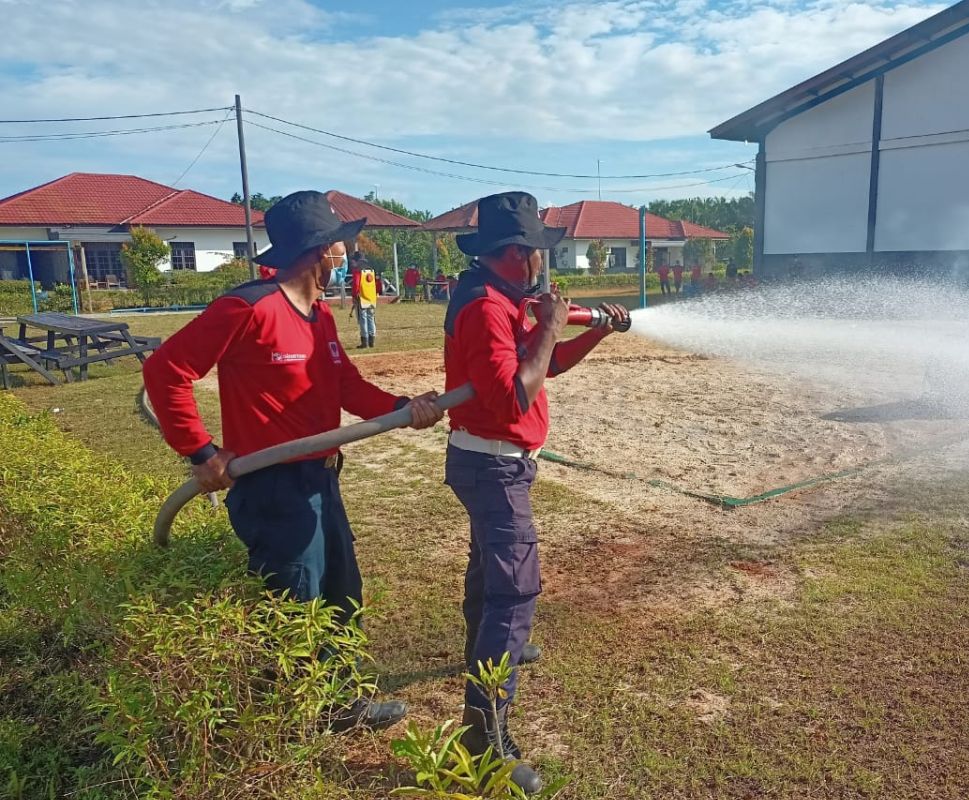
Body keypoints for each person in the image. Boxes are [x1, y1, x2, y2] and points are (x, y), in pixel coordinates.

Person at [143, 191, 444, 732]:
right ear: (321, 252)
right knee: (292, 599)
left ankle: (340, 705)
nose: (345, 257)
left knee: (340, 589)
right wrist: (200, 451)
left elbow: (347, 384)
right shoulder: (248, 307)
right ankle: (289, 723)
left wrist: (403, 408)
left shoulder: (320, 317)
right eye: (339, 248)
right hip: (271, 483)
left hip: (321, 476)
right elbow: (166, 371)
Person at [443, 191, 628, 794]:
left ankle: (490, 652)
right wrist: (548, 323)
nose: (545, 265)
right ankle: (485, 740)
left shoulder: (504, 299)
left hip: (499, 464)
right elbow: (513, 396)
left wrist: (594, 330)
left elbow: (543, 365)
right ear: (519, 255)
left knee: (490, 582)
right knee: (515, 592)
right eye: (540, 254)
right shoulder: (484, 309)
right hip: (492, 466)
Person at [350, 252, 379, 349]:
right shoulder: (370, 268)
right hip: (371, 297)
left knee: (363, 319)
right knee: (371, 318)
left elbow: (356, 284)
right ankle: (372, 340)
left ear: (356, 260)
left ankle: (365, 341)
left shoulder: (357, 270)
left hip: (361, 297)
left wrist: (354, 295)